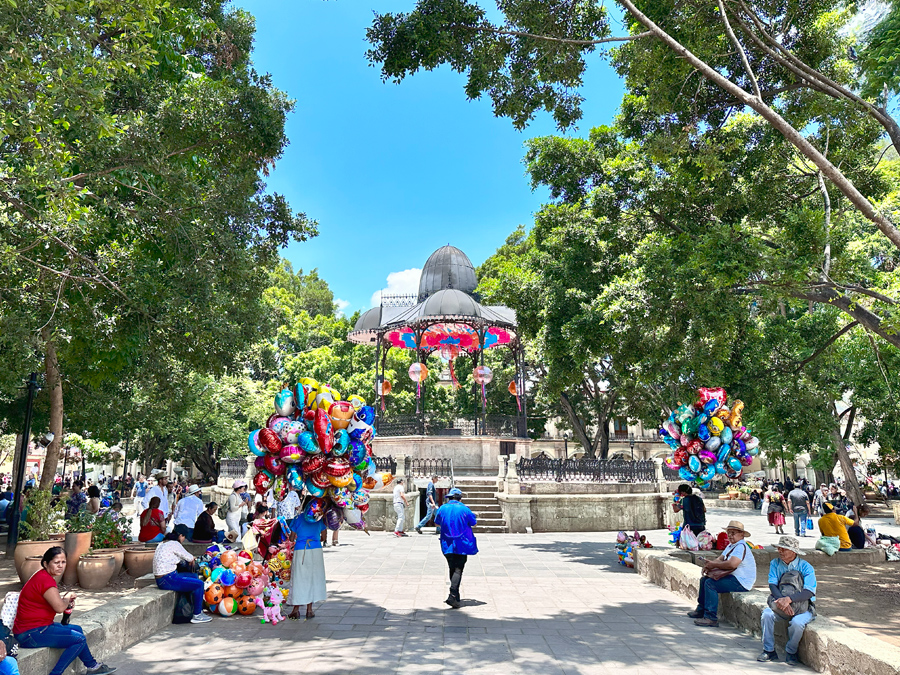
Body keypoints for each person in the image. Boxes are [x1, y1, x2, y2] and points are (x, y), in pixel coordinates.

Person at [13, 547, 116, 675]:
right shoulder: (45, 580)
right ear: (45, 563)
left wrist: (64, 601)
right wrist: (67, 598)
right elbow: (59, 607)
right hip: (31, 634)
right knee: (79, 639)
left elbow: (54, 603)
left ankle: (92, 666)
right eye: (56, 563)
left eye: (63, 562)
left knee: (77, 629)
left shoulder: (43, 576)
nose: (60, 566)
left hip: (35, 629)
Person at [758, 536, 817, 666]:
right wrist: (781, 602)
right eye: (779, 548)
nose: (780, 551)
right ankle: (769, 650)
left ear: (794, 551)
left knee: (797, 623)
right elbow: (772, 585)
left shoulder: (806, 567)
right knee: (767, 615)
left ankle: (791, 651)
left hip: (803, 606)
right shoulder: (775, 563)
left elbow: (809, 591)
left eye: (784, 549)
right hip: (780, 603)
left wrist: (789, 600)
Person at [688, 520, 756, 627]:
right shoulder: (731, 546)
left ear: (741, 534)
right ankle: (701, 609)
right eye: (729, 533)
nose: (730, 536)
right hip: (734, 577)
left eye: (733, 533)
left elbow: (732, 565)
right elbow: (720, 559)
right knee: (704, 580)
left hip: (741, 581)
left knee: (710, 584)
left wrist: (714, 565)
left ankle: (711, 617)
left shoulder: (740, 547)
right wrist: (709, 565)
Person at [153, 531, 211, 624]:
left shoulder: (162, 544)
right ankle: (197, 615)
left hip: (162, 578)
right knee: (199, 584)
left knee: (193, 577)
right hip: (168, 578)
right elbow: (190, 558)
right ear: (180, 536)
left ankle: (192, 607)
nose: (183, 540)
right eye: (184, 537)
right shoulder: (175, 543)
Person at [434, 487, 477, 609]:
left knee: (452, 567)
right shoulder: (465, 509)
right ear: (460, 498)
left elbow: (437, 522)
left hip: (446, 543)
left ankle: (456, 597)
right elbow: (473, 522)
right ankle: (453, 594)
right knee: (458, 569)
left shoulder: (442, 508)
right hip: (462, 543)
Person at [287, 499, 326, 620]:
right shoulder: (319, 519)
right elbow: (323, 537)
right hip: (316, 551)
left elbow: (292, 538)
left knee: (299, 579)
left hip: (301, 550)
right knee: (313, 579)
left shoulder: (298, 518)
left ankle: (296, 609)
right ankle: (309, 610)